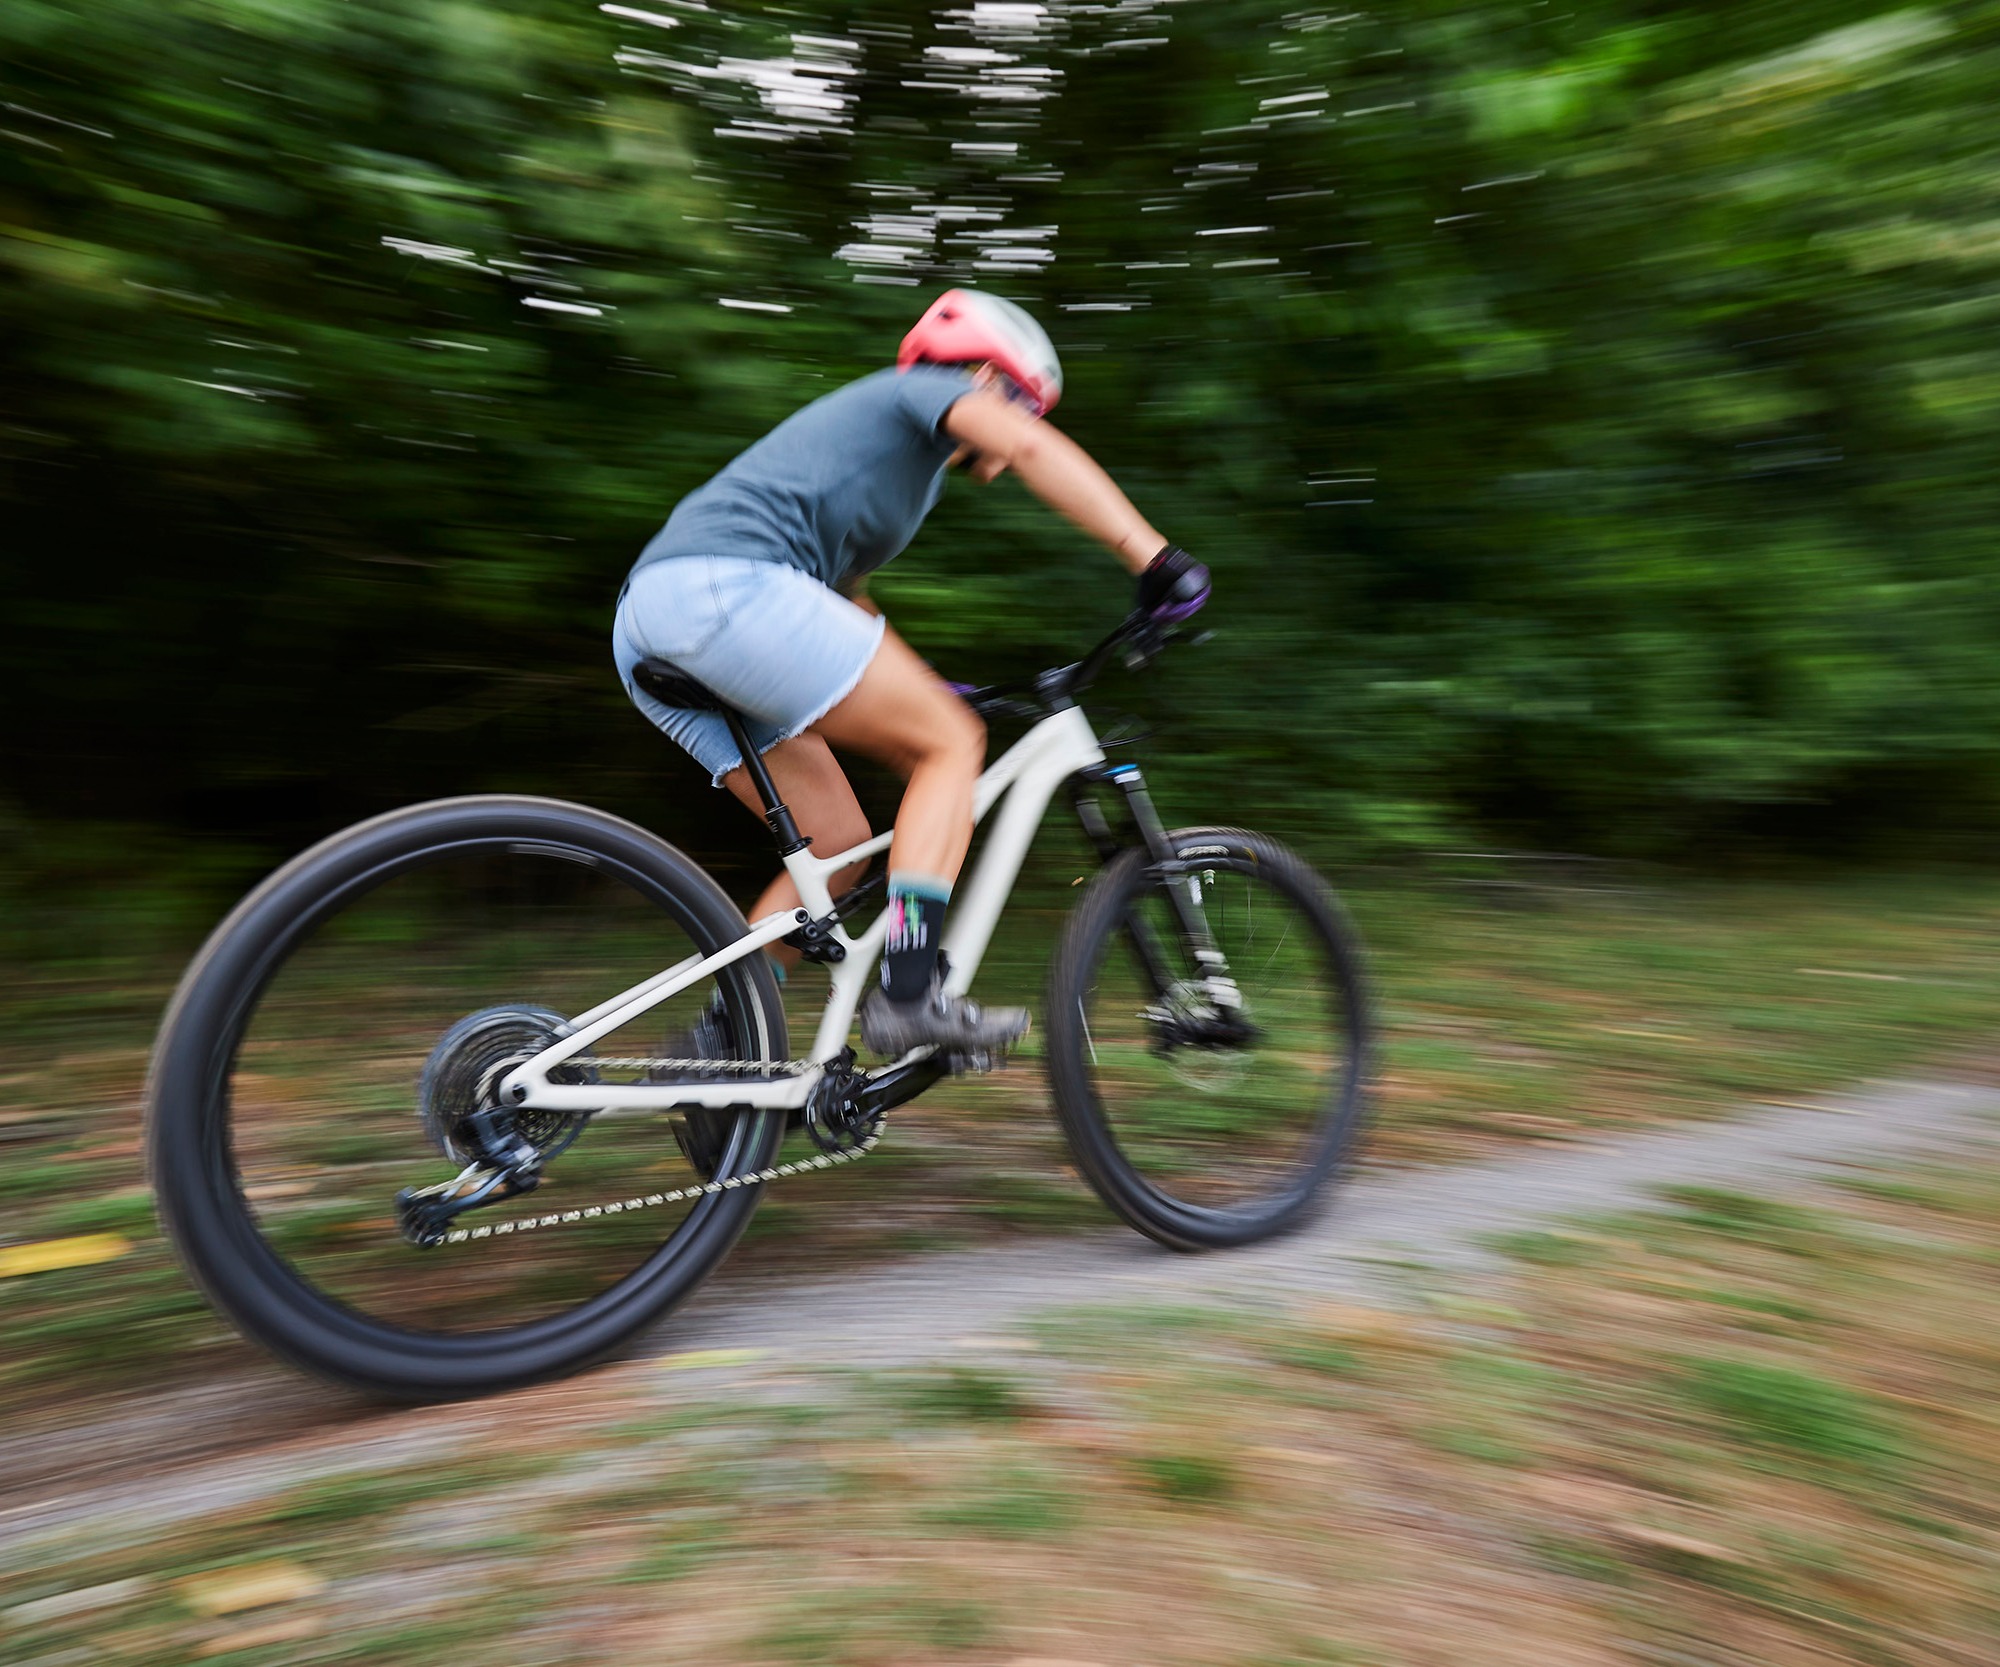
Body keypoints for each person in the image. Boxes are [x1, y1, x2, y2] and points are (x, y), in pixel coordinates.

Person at [612, 288, 1209, 1063]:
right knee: (952, 744)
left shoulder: (898, 470)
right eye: (1024, 405)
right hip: (724, 590)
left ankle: (724, 1041)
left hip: (659, 614)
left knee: (838, 844)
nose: (1018, 434)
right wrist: (1153, 559)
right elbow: (1033, 452)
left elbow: (842, 597)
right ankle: (909, 990)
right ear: (986, 378)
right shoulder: (927, 390)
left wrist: (924, 684)